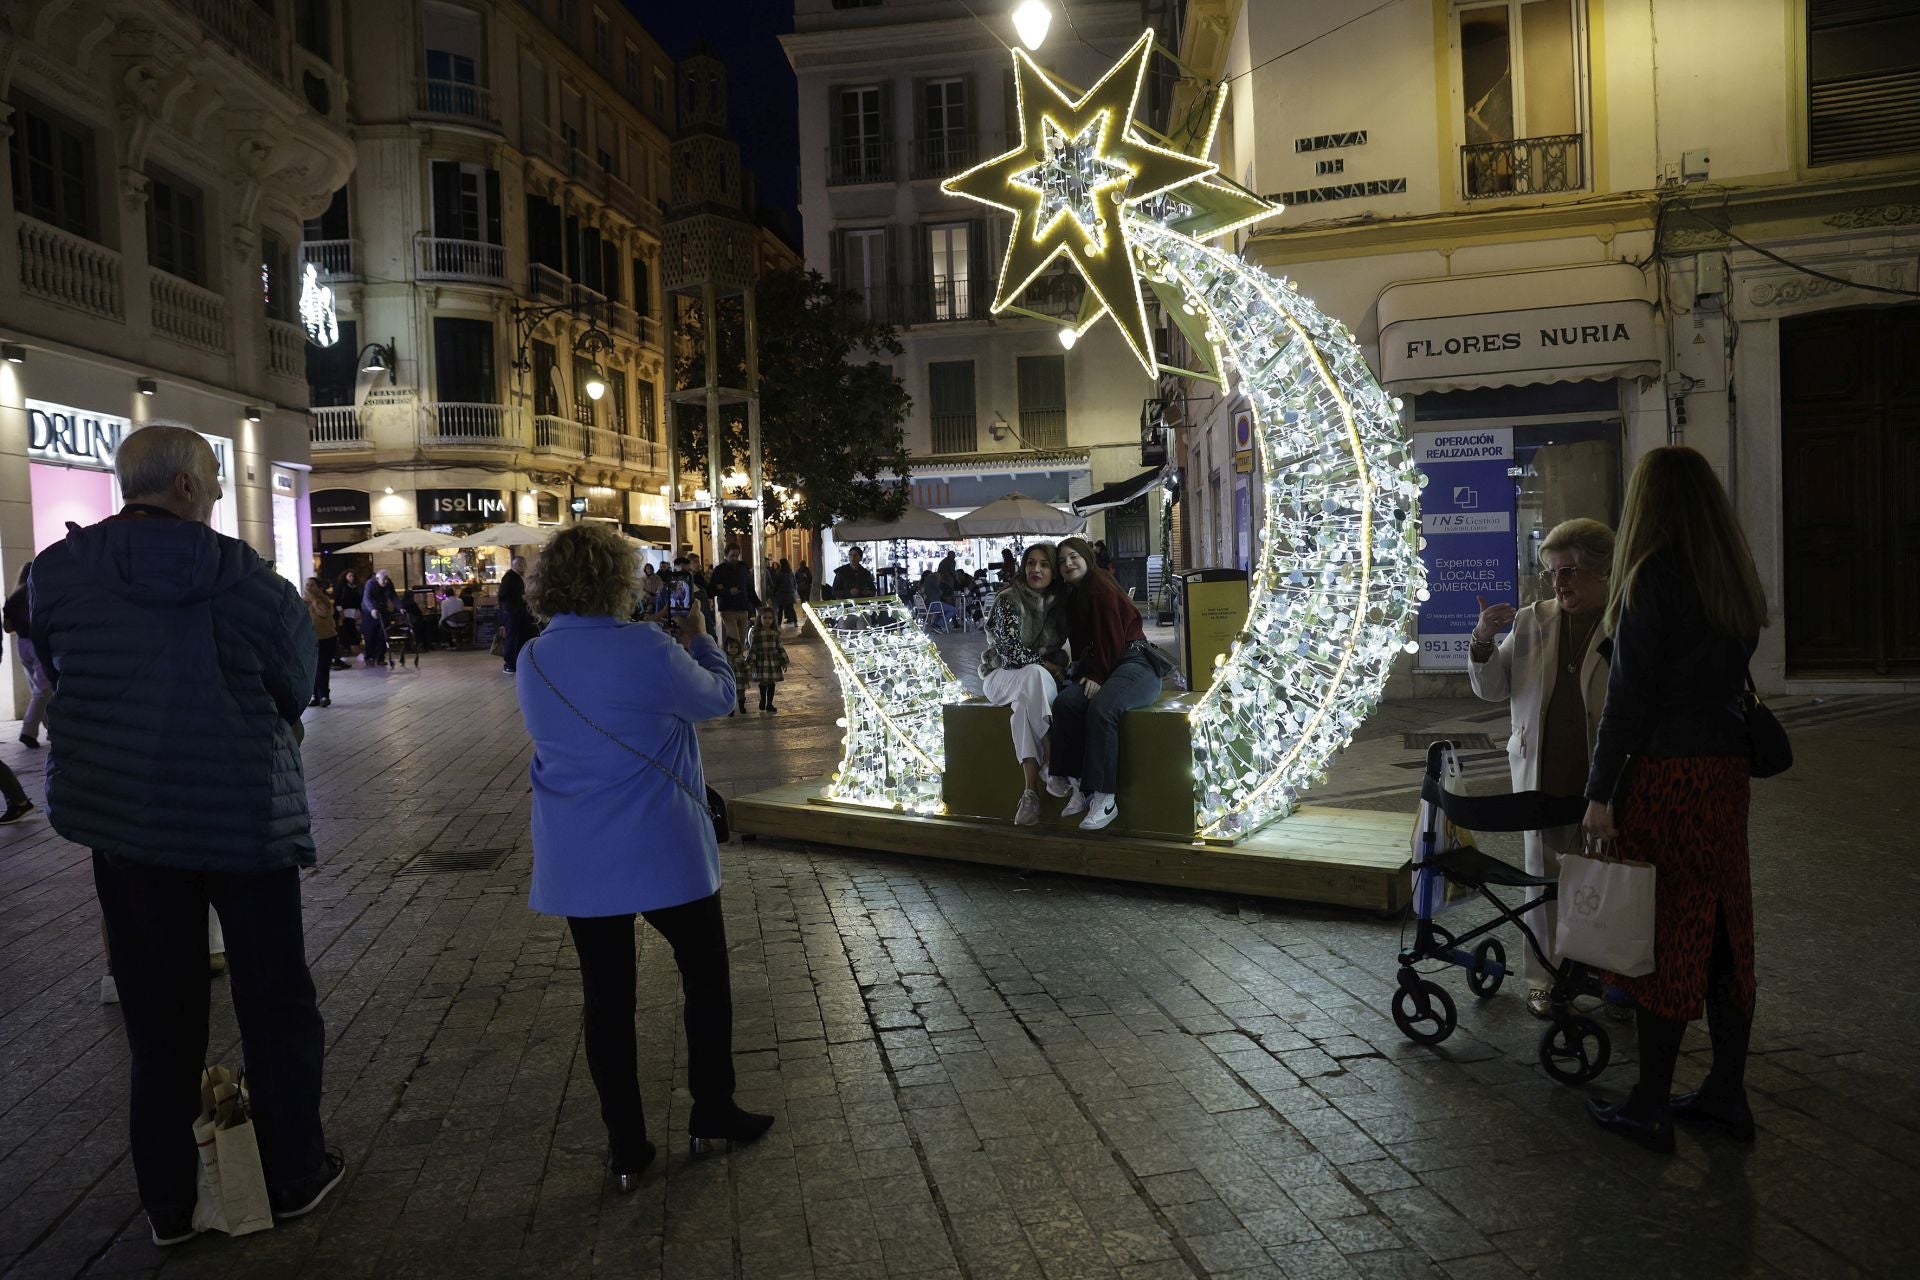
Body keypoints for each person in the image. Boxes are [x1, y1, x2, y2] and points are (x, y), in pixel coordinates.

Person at [29, 425, 340, 1244]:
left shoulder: (60, 574)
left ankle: (170, 1202)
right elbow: (296, 682)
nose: (212, 495)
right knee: (275, 1002)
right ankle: (295, 1171)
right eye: (209, 481)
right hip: (245, 816)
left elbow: (50, 665)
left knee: (157, 1016)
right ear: (186, 488)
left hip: (127, 822)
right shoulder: (249, 581)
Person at [512, 522, 773, 1188]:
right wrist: (704, 639)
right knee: (704, 978)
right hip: (662, 847)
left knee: (607, 1000)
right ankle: (711, 1107)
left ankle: (626, 1144)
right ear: (617, 579)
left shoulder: (534, 659)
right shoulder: (647, 649)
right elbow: (716, 698)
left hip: (579, 853)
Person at [1581, 446, 1769, 1154]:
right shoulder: (1733, 575)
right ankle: (1726, 1093)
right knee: (1723, 922)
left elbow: (1627, 700)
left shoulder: (1652, 574)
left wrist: (1600, 792)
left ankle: (1650, 1104)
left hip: (1666, 773)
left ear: (1648, 504)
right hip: (1724, 773)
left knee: (1663, 926)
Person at [1467, 519, 1614, 1017]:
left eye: (1569, 571)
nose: (1559, 583)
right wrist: (1484, 638)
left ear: (1602, 571)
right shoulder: (1533, 620)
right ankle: (1543, 980)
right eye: (1551, 572)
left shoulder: (1624, 622)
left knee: (1607, 882)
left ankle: (1612, 978)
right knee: (1543, 881)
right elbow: (1493, 687)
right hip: (1543, 773)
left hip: (1603, 780)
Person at [1047, 535, 1168, 832]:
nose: (1068, 564)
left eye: (1073, 556)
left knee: (1102, 709)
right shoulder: (1076, 595)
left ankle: (1105, 797)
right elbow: (1080, 646)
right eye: (1062, 561)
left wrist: (1098, 676)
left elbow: (1112, 637)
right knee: (1066, 703)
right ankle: (1080, 787)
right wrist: (1077, 674)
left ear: (1087, 556)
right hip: (1109, 666)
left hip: (1135, 664)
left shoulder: (1099, 583)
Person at [981, 543, 1069, 826]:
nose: (1036, 569)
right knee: (1033, 674)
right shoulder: (1009, 599)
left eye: (1044, 564)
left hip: (1036, 684)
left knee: (1022, 710)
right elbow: (1010, 654)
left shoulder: (1058, 604)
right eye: (1031, 563)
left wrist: (1058, 665)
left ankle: (1030, 793)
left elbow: (1064, 652)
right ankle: (1053, 763)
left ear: (1053, 571)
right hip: (1001, 676)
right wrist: (1051, 666)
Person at [4, 561, 50, 747]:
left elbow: (8, 628)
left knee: (38, 689)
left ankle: (52, 728)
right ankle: (28, 731)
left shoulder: (13, 597)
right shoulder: (38, 593)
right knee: (44, 689)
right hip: (37, 643)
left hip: (21, 644)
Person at [710, 543, 759, 650]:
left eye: (737, 556)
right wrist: (727, 591)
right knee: (734, 638)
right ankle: (732, 661)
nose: (735, 558)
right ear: (726, 555)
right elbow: (712, 590)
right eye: (732, 556)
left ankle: (739, 661)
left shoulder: (743, 568)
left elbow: (749, 588)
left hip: (743, 608)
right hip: (728, 609)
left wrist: (758, 604)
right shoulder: (719, 570)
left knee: (741, 640)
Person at [748, 605, 789, 713]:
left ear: (773, 619)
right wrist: (751, 662)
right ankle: (762, 699)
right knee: (763, 682)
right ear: (760, 619)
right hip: (761, 661)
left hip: (773, 661)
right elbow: (753, 648)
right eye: (765, 618)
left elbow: (779, 647)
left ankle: (769, 704)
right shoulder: (756, 633)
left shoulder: (775, 633)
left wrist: (784, 661)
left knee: (771, 682)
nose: (767, 620)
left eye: (770, 618)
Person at [304, 576, 338, 707]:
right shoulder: (301, 601)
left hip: (326, 638)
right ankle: (314, 695)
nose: (309, 587)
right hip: (308, 640)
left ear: (319, 588)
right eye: (307, 585)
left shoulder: (324, 600)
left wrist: (314, 600)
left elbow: (323, 613)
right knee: (310, 669)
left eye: (312, 585)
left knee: (322, 668)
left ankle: (324, 695)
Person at [500, 555, 534, 674]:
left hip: (518, 612)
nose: (525, 567)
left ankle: (516, 661)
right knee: (512, 638)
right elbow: (502, 595)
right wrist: (513, 606)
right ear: (518, 565)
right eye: (524, 565)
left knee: (519, 637)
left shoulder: (517, 577)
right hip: (513, 613)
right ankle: (509, 664)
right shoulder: (510, 577)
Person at [360, 568, 396, 666]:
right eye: (383, 579)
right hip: (369, 611)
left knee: (382, 634)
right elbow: (367, 598)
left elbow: (393, 596)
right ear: (377, 578)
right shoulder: (370, 584)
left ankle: (380, 658)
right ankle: (369, 657)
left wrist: (400, 607)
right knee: (370, 635)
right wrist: (372, 609)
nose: (385, 581)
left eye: (387, 579)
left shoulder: (388, 583)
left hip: (382, 609)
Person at [332, 567, 361, 657]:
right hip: (343, 611)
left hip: (353, 611)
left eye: (353, 576)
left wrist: (357, 610)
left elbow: (358, 600)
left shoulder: (356, 587)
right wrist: (341, 612)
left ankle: (352, 647)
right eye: (350, 576)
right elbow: (337, 599)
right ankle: (346, 648)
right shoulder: (342, 586)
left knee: (352, 629)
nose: (352, 578)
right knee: (344, 630)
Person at [723, 636, 750, 715]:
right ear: (726, 648)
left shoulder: (741, 658)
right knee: (730, 694)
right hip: (729, 680)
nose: (734, 649)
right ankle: (731, 709)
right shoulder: (725, 659)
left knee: (741, 693)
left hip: (740, 680)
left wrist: (748, 672)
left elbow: (746, 666)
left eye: (736, 647)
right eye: (731, 647)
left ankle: (741, 706)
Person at [769, 558, 798, 629]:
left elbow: (776, 585)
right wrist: (793, 591)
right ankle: (795, 622)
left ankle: (778, 624)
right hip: (790, 594)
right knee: (791, 609)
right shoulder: (791, 572)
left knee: (780, 609)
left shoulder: (779, 574)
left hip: (781, 594)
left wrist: (773, 593)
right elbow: (794, 583)